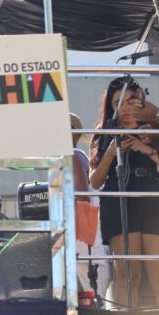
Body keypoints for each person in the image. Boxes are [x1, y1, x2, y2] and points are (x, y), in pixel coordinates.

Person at [88, 78, 159, 308]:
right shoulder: (104, 132)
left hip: (153, 199)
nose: (125, 108)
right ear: (111, 106)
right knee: (128, 276)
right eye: (118, 102)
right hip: (119, 202)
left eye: (131, 101)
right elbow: (95, 181)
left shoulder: (156, 129)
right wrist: (111, 152)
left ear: (141, 103)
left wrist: (149, 150)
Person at [70, 113, 110, 299]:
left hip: (85, 244)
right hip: (88, 243)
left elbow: (81, 197)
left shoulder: (74, 155)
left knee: (95, 300)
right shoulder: (78, 156)